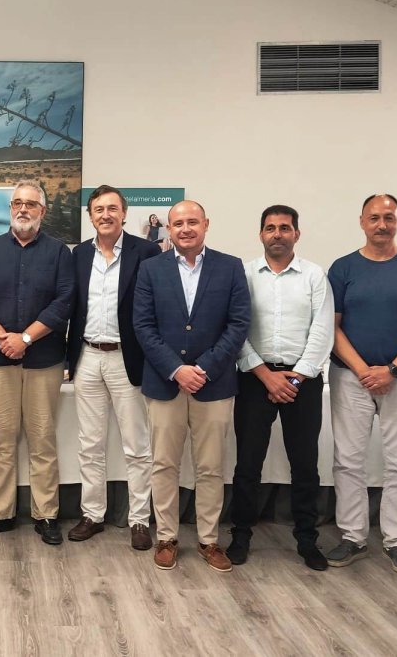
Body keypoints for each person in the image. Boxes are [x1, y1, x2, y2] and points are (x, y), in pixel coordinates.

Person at [133, 200, 250, 571]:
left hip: (213, 385)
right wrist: (176, 369)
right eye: (177, 223)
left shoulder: (230, 267)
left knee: (211, 467)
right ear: (168, 228)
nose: (185, 228)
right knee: (164, 464)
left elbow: (238, 324)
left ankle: (209, 540)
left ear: (206, 224)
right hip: (165, 383)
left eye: (192, 222)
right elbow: (143, 326)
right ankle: (166, 536)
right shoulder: (151, 269)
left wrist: (203, 367)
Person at [326, 194, 397, 575]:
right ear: (361, 221)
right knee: (348, 461)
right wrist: (363, 370)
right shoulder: (342, 269)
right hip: (350, 378)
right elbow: (333, 327)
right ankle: (353, 536)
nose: (381, 224)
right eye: (374, 218)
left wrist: (391, 370)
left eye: (388, 217)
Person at [0, 180, 75, 545]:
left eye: (31, 204)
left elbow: (64, 302)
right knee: (0, 439)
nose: (23, 209)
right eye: (17, 203)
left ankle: (46, 515)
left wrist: (25, 338)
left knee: (42, 439)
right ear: (10, 208)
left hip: (44, 361)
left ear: (42, 211)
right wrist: (2, 337)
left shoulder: (60, 252)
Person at [229, 205, 333, 571]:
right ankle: (240, 535)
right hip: (255, 379)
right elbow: (236, 328)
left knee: (305, 464)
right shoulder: (243, 274)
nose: (277, 234)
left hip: (301, 382)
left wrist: (296, 376)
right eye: (270, 228)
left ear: (296, 234)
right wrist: (264, 374)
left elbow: (322, 331)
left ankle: (308, 540)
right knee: (247, 464)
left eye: (285, 228)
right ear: (261, 234)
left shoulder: (315, 276)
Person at [65, 185, 159, 551]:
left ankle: (138, 519)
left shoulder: (147, 252)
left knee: (136, 445)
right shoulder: (78, 255)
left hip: (127, 359)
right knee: (90, 443)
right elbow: (71, 306)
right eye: (98, 209)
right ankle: (92, 514)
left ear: (124, 213)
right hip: (87, 356)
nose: (105, 214)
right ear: (90, 216)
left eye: (112, 209)